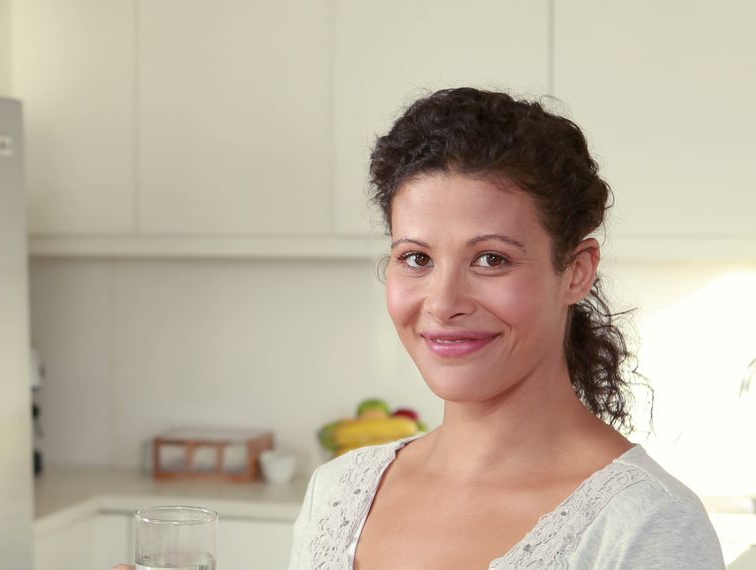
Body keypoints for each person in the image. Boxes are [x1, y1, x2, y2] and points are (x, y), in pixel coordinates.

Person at [287, 87, 724, 569]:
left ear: (576, 271)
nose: (444, 303)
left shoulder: (646, 524)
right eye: (417, 258)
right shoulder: (336, 493)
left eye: (491, 259)